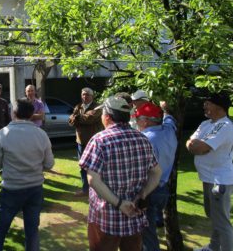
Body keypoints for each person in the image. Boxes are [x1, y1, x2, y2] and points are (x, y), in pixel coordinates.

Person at [80, 96, 162, 251]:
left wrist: (119, 203)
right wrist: (142, 194)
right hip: (134, 214)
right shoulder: (142, 139)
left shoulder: (99, 140)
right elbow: (156, 173)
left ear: (107, 117)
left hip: (106, 218)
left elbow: (92, 180)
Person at [0, 99, 55, 251]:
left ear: (14, 113)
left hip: (11, 189)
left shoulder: (3, 133)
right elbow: (49, 164)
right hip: (34, 188)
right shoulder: (41, 134)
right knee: (32, 232)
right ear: (31, 114)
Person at [186, 93, 233, 251]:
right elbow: (190, 143)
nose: (204, 106)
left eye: (208, 103)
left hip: (219, 181)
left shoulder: (224, 126)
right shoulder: (205, 124)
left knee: (222, 222)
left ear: (219, 107)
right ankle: (214, 247)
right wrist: (195, 146)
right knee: (214, 216)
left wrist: (199, 147)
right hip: (208, 178)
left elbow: (201, 147)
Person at [134, 102, 177, 251]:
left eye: (137, 119)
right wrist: (165, 108)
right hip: (163, 189)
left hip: (149, 190)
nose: (136, 122)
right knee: (148, 229)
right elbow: (170, 119)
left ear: (145, 121)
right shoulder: (169, 130)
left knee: (147, 234)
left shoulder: (145, 140)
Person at [68, 87, 102, 196]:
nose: (85, 96)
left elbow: (89, 119)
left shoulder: (97, 107)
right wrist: (77, 118)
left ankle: (96, 191)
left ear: (92, 96)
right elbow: (71, 121)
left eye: (87, 94)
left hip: (93, 141)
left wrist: (77, 117)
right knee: (82, 167)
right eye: (83, 94)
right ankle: (85, 190)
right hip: (80, 142)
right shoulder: (79, 106)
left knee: (95, 167)